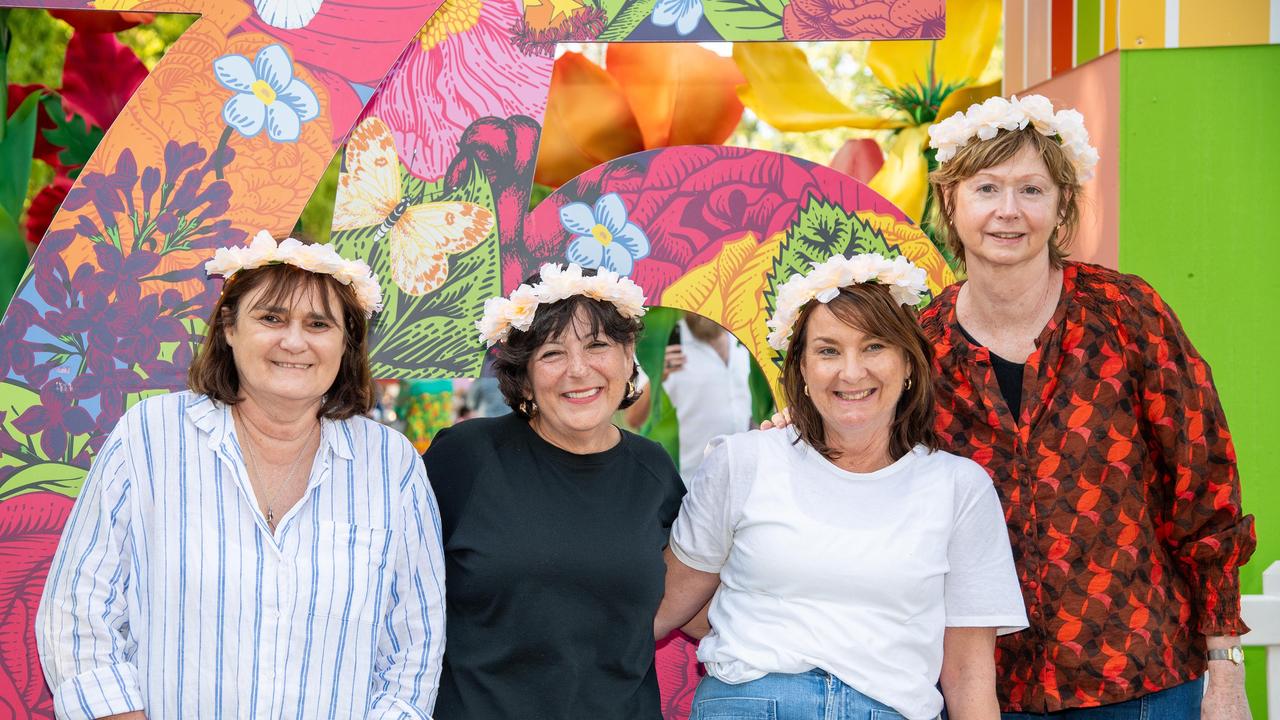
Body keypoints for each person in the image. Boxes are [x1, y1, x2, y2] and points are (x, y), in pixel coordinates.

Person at [921, 95, 1256, 718]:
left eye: (1032, 189)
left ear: (1061, 205)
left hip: (1141, 677)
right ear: (952, 202)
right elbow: (870, 467)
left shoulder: (1127, 314)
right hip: (985, 691)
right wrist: (792, 429)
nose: (1007, 211)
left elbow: (1205, 491)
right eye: (987, 187)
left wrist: (1226, 675)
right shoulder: (921, 348)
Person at [36, 232, 446, 719]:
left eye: (319, 323)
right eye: (272, 317)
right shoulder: (150, 438)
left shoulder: (391, 464)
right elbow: (77, 614)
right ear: (229, 327)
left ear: (346, 343)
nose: (294, 341)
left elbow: (414, 650)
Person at [655, 253, 1028, 720]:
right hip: (752, 703)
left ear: (909, 365)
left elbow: (968, 675)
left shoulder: (960, 488)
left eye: (874, 346)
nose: (851, 372)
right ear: (803, 372)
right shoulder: (743, 462)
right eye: (828, 351)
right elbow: (667, 606)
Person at [422, 263, 685, 718]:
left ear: (628, 358)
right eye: (551, 353)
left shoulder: (654, 471)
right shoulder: (465, 457)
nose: (578, 370)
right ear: (523, 376)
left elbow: (698, 601)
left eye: (598, 345)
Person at [624, 313, 754, 477]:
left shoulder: (744, 341)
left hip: (739, 477)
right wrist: (657, 376)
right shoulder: (665, 343)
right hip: (687, 483)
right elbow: (633, 418)